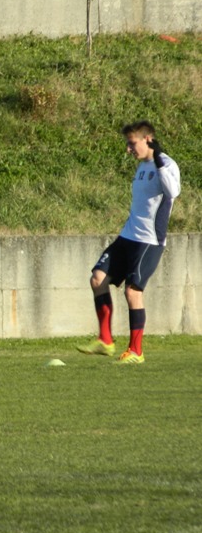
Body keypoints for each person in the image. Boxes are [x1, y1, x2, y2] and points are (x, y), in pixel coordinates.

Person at [76, 120, 181, 364]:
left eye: (132, 143)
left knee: (133, 291)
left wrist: (159, 158)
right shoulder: (142, 166)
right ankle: (105, 341)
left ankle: (136, 351)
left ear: (148, 140)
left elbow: (172, 192)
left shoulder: (166, 164)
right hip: (128, 236)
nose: (128, 149)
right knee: (97, 279)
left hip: (149, 240)